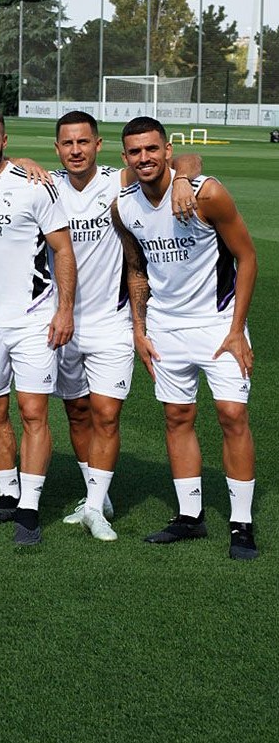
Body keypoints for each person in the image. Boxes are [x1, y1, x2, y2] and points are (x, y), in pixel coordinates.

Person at [113, 116, 259, 560]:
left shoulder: (205, 194)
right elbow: (136, 269)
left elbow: (248, 257)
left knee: (232, 416)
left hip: (217, 324)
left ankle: (242, 525)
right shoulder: (123, 206)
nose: (144, 158)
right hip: (164, 328)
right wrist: (139, 331)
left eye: (152, 149)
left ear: (168, 149)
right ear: (125, 157)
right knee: (177, 418)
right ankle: (190, 517)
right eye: (135, 152)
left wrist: (237, 331)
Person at [53, 111, 199, 541]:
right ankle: (97, 494)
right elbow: (10, 163)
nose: (76, 150)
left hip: (113, 321)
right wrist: (27, 164)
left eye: (84, 142)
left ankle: (95, 508)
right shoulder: (48, 186)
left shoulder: (119, 181)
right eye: (67, 144)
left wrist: (185, 180)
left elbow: (188, 158)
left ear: (98, 146)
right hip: (62, 323)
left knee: (106, 414)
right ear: (58, 149)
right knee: (77, 412)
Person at [0, 107, 76, 547]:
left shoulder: (33, 187)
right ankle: (8, 495)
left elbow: (62, 250)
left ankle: (31, 506)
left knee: (32, 411)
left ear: (4, 141)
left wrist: (64, 310)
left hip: (33, 319)